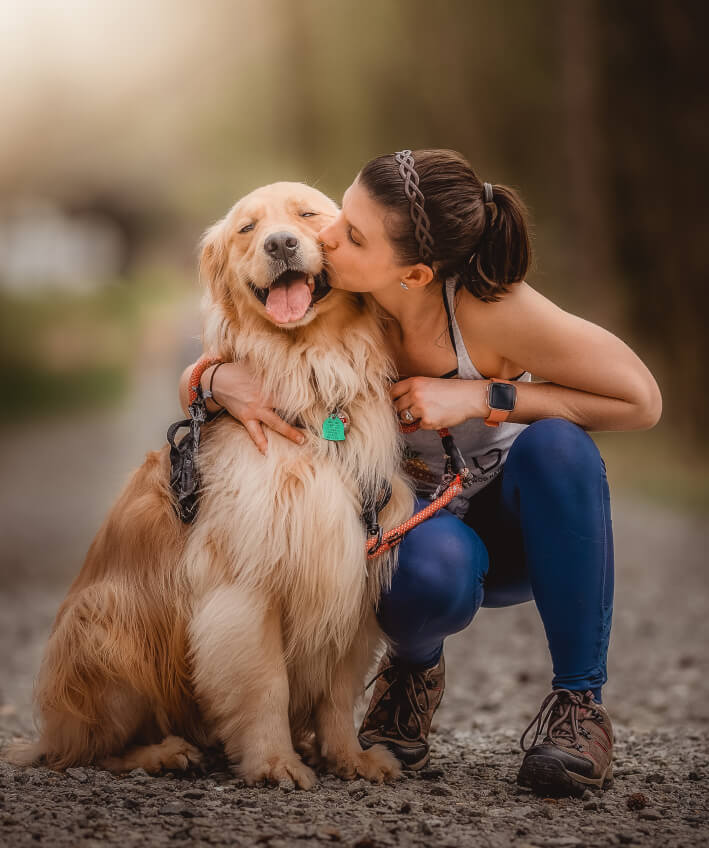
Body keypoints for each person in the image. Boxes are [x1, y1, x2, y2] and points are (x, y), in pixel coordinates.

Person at [178, 149, 662, 797]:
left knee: (559, 447)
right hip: (418, 539)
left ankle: (578, 706)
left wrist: (485, 396)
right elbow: (242, 351)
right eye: (338, 215)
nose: (320, 237)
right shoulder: (335, 306)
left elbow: (639, 400)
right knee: (421, 570)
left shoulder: (490, 308)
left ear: (413, 273)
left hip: (513, 525)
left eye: (349, 234)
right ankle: (411, 672)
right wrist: (210, 378)